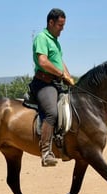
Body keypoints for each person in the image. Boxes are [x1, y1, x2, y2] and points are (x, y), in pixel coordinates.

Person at [29, 8, 74, 167]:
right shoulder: (42, 37)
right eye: (60, 25)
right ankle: (46, 152)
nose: (62, 28)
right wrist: (62, 74)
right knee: (51, 113)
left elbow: (60, 62)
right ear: (51, 22)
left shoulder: (55, 41)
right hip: (43, 83)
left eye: (63, 25)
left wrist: (69, 78)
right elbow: (43, 62)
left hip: (55, 83)